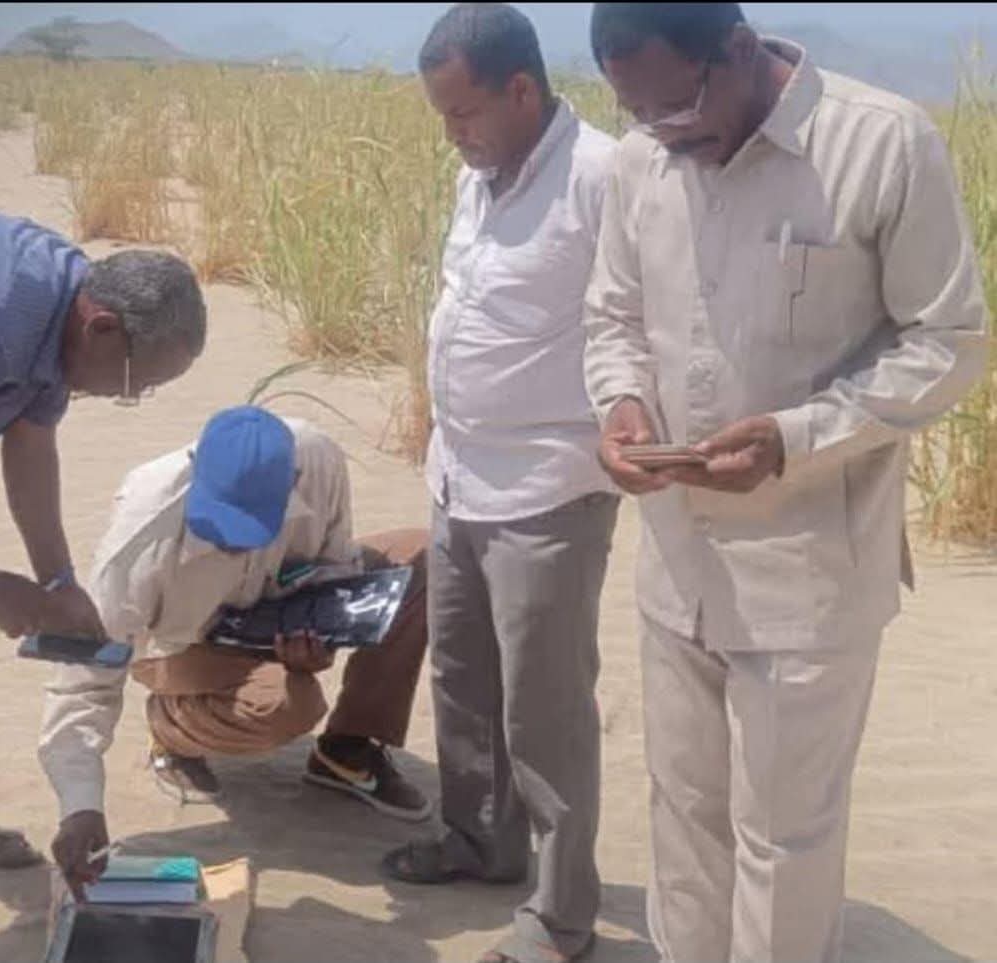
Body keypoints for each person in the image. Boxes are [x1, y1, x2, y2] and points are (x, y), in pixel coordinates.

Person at [584, 5, 989, 962]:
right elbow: (612, 315)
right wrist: (621, 404)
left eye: (676, 107)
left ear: (737, 50)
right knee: (684, 811)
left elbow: (948, 342)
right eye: (638, 114)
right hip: (676, 566)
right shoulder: (641, 160)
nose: (662, 135)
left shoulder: (880, 143)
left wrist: (795, 438)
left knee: (783, 836)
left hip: (806, 573)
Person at [381, 6, 620, 963]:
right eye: (441, 115)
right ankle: (478, 841)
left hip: (549, 488)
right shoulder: (474, 175)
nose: (453, 134)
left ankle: (560, 916)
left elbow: (638, 321)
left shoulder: (602, 176)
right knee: (463, 680)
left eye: (463, 112)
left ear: (522, 90)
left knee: (544, 710)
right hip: (459, 476)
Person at [40, 406, 431, 900]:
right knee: (288, 704)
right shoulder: (139, 543)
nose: (231, 545)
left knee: (422, 557)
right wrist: (80, 808)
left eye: (251, 528)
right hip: (181, 644)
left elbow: (336, 566)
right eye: (217, 527)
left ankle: (347, 748)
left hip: (277, 606)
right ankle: (172, 732)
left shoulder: (316, 459)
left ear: (292, 482)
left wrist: (320, 639)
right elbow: (83, 685)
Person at [0, 203, 206, 868]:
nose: (129, 398)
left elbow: (30, 439)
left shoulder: (66, 305)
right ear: (102, 327)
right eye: (133, 385)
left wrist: (57, 580)